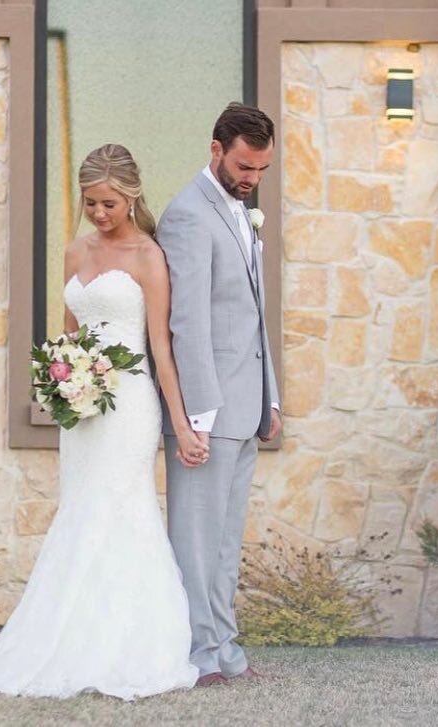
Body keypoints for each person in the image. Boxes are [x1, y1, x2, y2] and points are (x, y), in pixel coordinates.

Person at [0, 144, 205, 700]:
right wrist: (61, 379)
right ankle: (67, 642)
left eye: (109, 203)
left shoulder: (149, 257)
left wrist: (184, 425)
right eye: (91, 202)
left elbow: (160, 348)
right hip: (83, 412)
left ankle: (130, 646)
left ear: (131, 197)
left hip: (130, 409)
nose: (99, 213)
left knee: (121, 512)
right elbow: (69, 337)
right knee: (80, 513)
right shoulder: (74, 253)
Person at [156, 102, 282, 687]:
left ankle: (227, 651)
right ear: (215, 149)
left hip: (246, 408)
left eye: (260, 170)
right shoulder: (186, 216)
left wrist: (270, 400)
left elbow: (253, 316)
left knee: (226, 545)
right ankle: (199, 656)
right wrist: (194, 418)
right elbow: (188, 325)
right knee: (196, 543)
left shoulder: (240, 212)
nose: (251, 180)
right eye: (243, 166)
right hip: (208, 414)